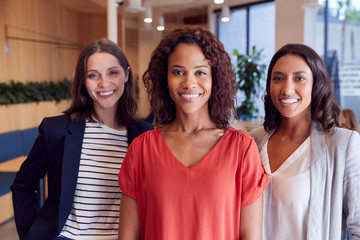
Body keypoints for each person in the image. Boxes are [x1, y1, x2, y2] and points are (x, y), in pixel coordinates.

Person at [118, 26, 269, 240]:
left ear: (214, 78)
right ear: (165, 78)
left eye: (200, 72)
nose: (189, 83)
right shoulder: (141, 150)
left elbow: (251, 236)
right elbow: (128, 236)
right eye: (178, 72)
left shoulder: (242, 149)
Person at [11, 38, 153, 240]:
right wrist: (30, 235)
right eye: (93, 75)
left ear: (126, 74)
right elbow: (23, 186)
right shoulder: (56, 130)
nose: (104, 83)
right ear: (83, 81)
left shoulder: (145, 135)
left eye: (113, 72)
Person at [249, 43, 360, 239]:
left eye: (299, 78)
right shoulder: (253, 142)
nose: (287, 89)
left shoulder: (343, 145)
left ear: (316, 84)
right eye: (278, 78)